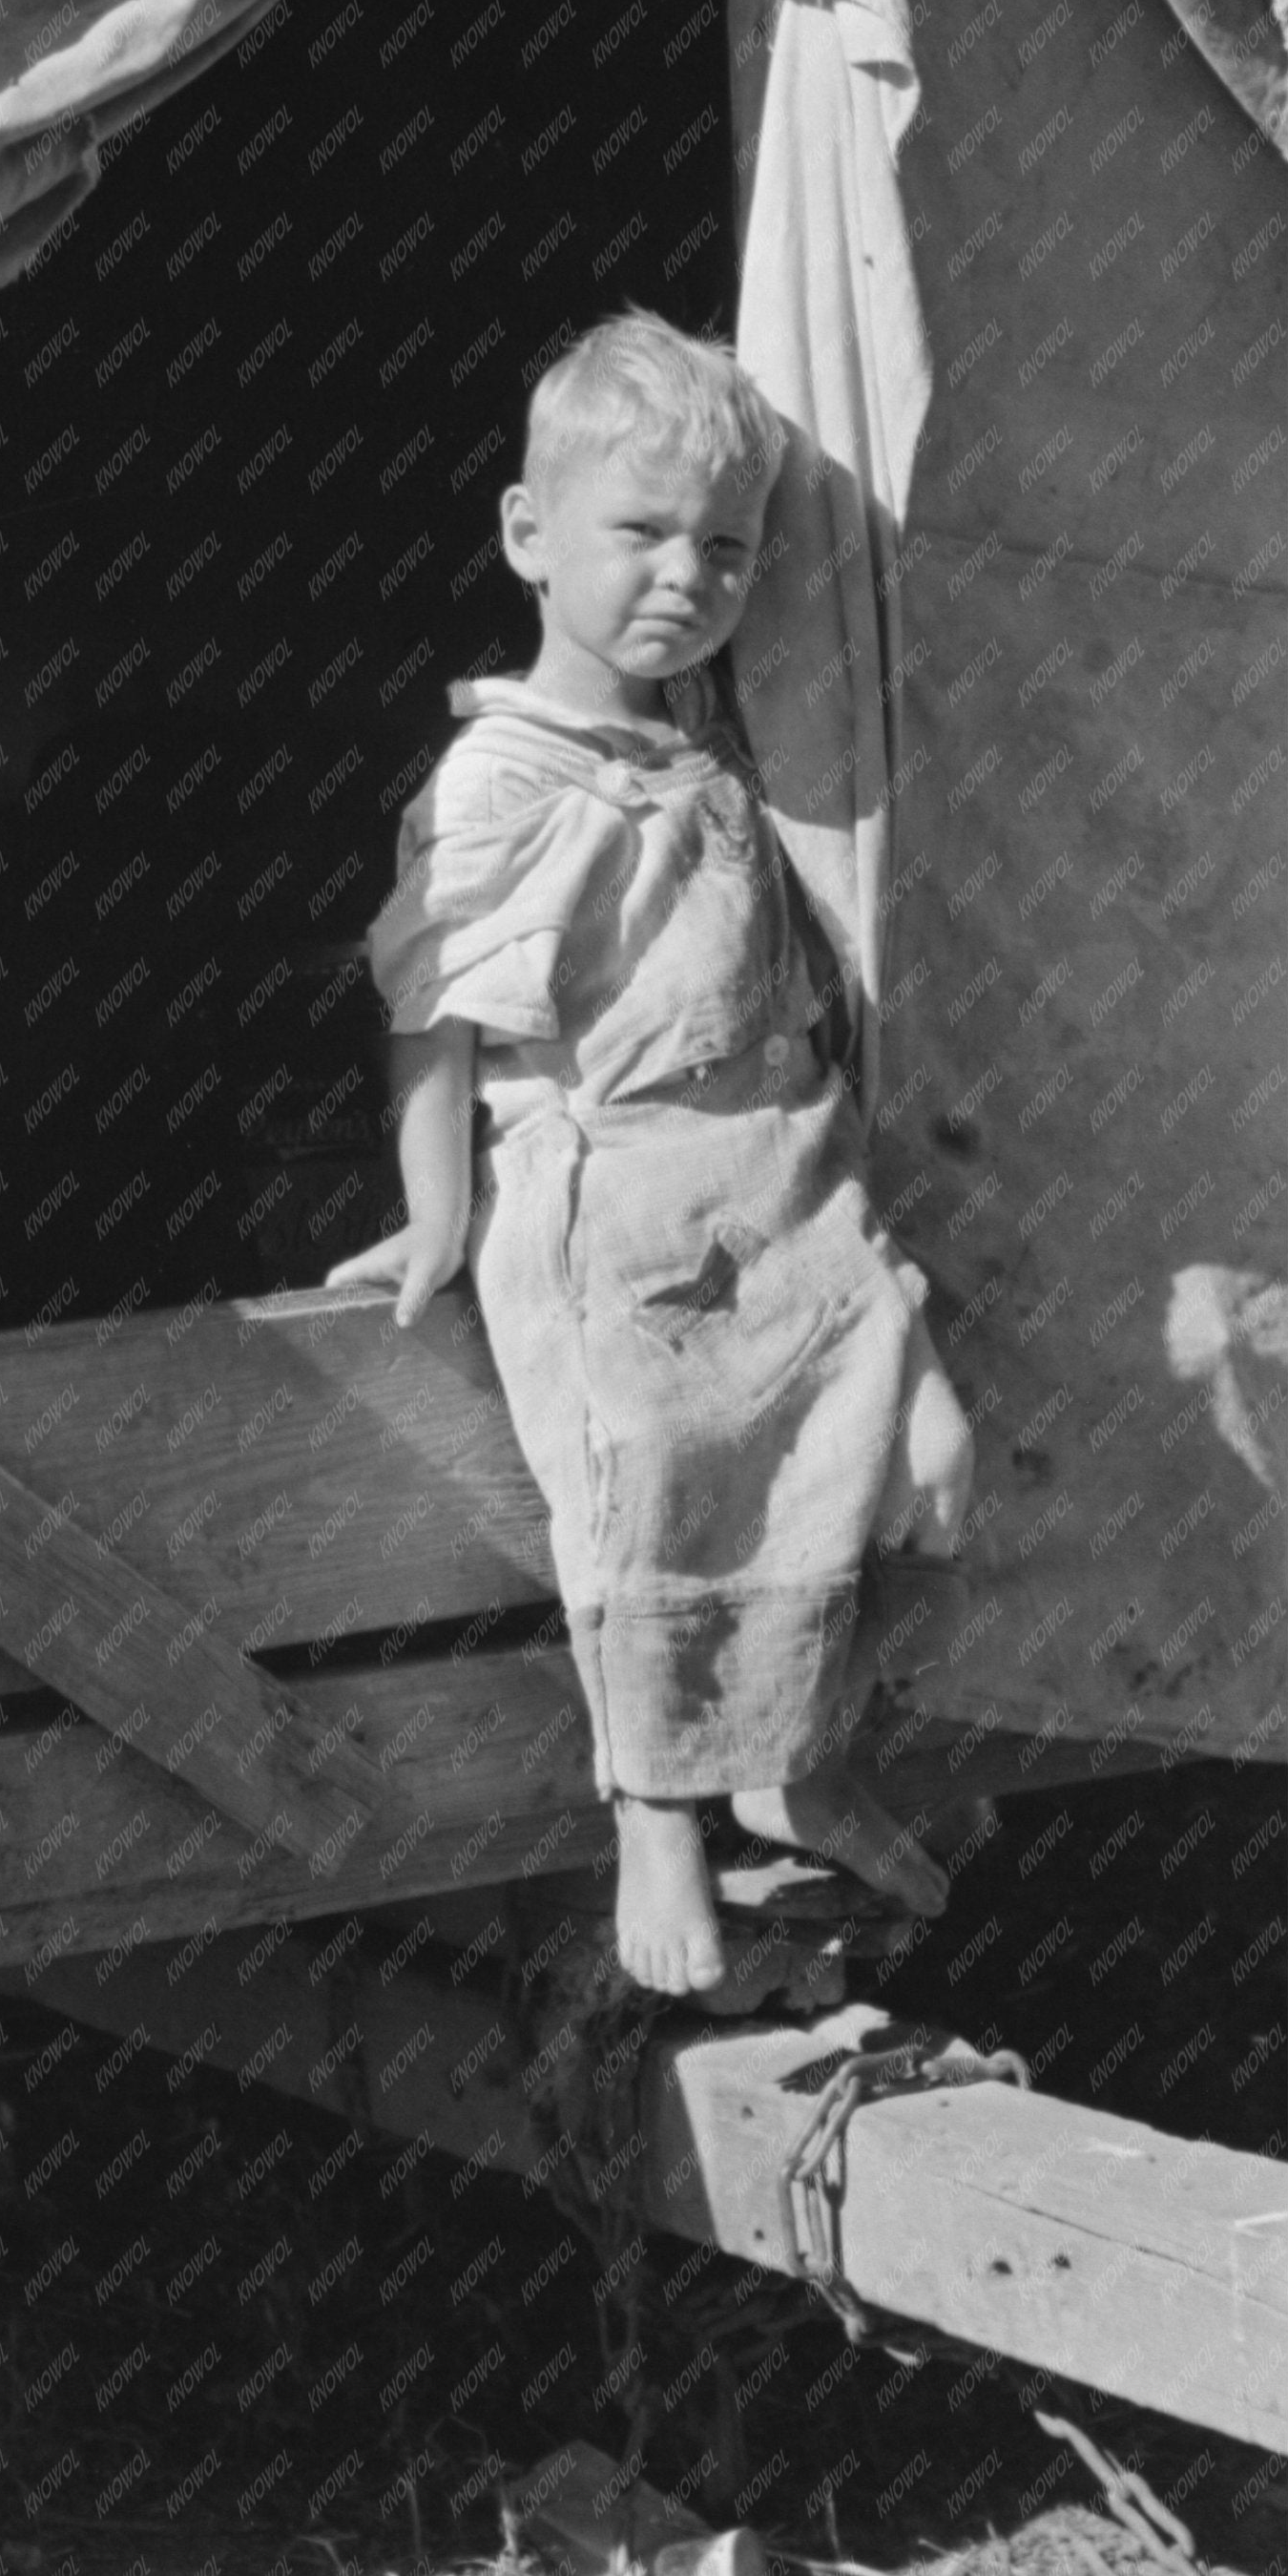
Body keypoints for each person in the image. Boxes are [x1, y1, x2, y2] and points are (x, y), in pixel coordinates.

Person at [326, 308, 973, 1994]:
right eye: (639, 532)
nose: (684, 577)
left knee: (886, 1452)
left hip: (775, 1167)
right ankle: (655, 1817)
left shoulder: (713, 742)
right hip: (616, 1189)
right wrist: (435, 1213)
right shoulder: (499, 775)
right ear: (527, 533)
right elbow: (437, 1007)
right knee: (648, 1486)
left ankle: (790, 1761)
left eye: (725, 547)